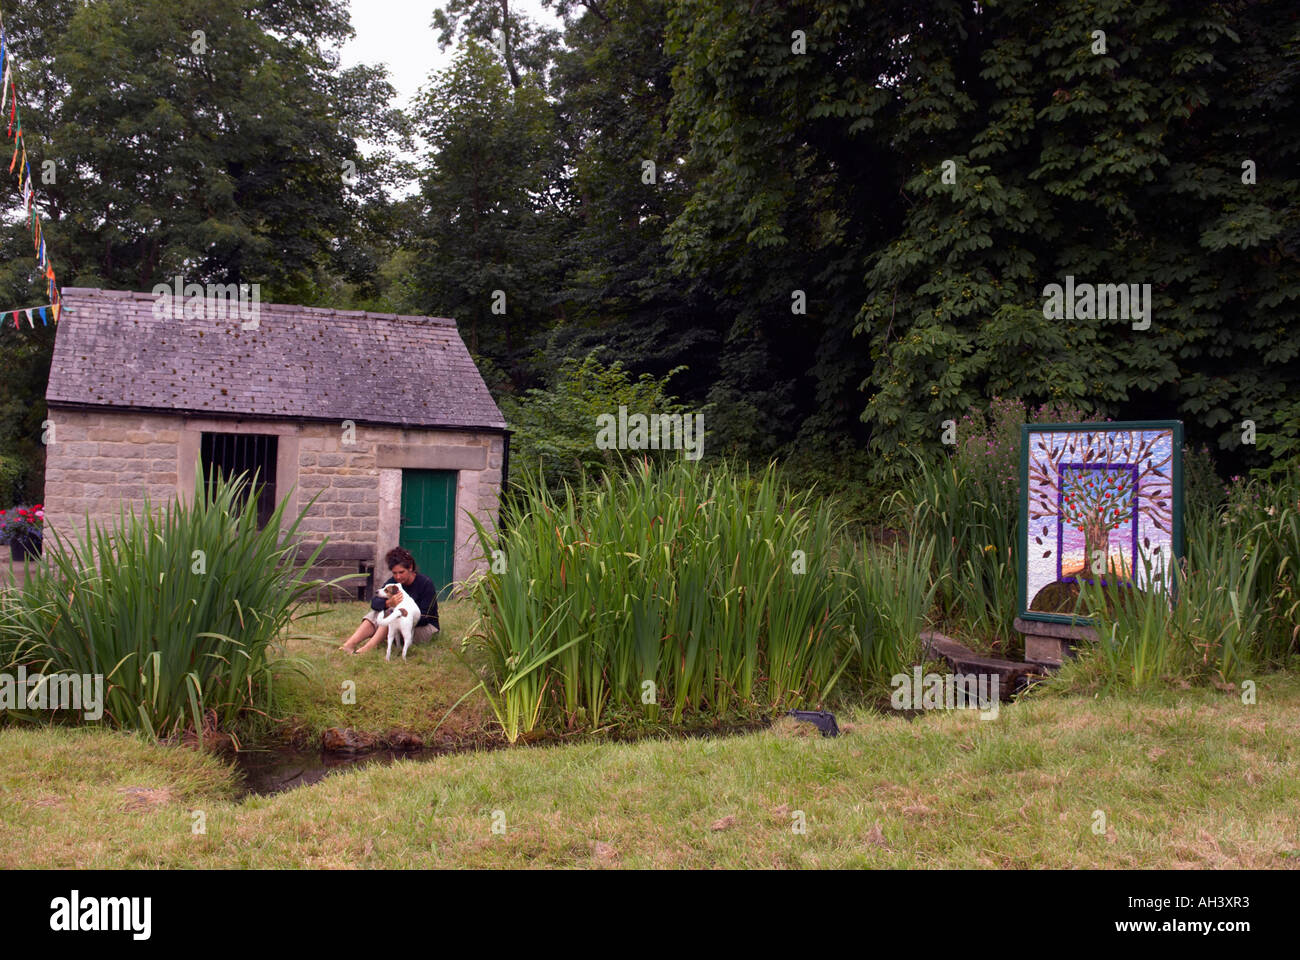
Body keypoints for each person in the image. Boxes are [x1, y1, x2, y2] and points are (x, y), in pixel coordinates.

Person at [339, 547, 440, 655]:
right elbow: (375, 604)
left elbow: (426, 617)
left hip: (424, 628)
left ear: (410, 567)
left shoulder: (425, 584)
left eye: (401, 572)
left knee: (392, 616)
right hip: (402, 624)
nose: (398, 576)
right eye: (394, 573)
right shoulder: (393, 583)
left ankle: (367, 649)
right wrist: (388, 603)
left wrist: (401, 615)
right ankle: (349, 645)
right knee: (376, 613)